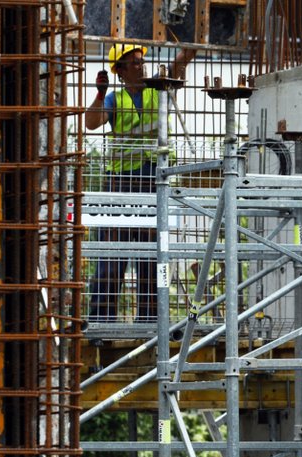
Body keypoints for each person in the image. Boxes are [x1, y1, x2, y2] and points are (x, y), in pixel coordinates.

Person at [84, 44, 195, 323]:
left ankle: (150, 323)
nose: (141, 66)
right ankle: (102, 323)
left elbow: (179, 65)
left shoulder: (158, 89)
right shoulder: (114, 99)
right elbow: (91, 123)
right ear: (119, 70)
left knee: (151, 256)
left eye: (141, 61)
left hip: (154, 179)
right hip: (121, 183)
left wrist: (194, 40)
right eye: (134, 63)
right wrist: (99, 94)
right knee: (112, 255)